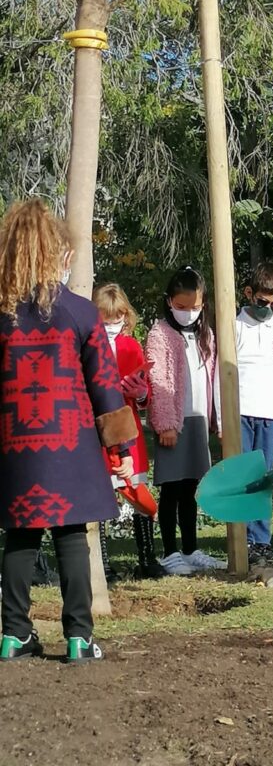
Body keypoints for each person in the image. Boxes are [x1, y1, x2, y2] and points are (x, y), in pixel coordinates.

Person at [0, 200, 136, 662]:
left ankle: (14, 634)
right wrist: (123, 450)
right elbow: (105, 386)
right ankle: (79, 637)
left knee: (20, 535)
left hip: (15, 447)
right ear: (57, 254)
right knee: (71, 534)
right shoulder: (80, 312)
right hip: (71, 444)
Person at [146, 267, 226, 576]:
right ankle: (170, 551)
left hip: (198, 419)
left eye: (194, 307)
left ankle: (192, 548)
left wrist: (217, 417)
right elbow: (158, 379)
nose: (188, 313)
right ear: (169, 302)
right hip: (173, 424)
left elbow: (215, 377)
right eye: (181, 307)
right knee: (171, 487)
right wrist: (165, 423)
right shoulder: (160, 334)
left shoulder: (206, 334)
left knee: (192, 486)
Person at [92, 282, 164, 580]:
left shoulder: (130, 345)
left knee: (136, 488)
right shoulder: (89, 346)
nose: (112, 326)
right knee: (105, 492)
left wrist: (141, 392)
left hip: (129, 426)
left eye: (117, 320)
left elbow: (146, 397)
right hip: (99, 428)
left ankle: (147, 557)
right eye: (106, 321)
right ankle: (103, 562)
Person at [235, 262, 273, 566]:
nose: (268, 309)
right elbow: (224, 376)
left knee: (264, 480)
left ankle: (260, 541)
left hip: (270, 416)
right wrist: (223, 420)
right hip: (240, 413)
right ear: (249, 294)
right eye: (262, 302)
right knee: (244, 479)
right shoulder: (233, 327)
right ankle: (241, 539)